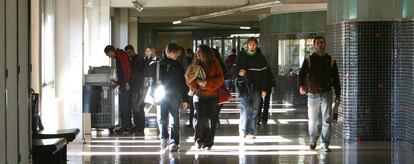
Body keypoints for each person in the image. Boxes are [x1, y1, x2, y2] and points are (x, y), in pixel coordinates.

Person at [298, 36, 341, 152]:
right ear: (314, 45)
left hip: (327, 93)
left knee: (327, 119)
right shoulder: (309, 60)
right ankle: (313, 139)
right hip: (312, 94)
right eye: (318, 43)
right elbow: (301, 74)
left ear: (325, 44)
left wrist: (338, 94)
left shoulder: (331, 60)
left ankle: (325, 144)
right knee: (313, 120)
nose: (320, 44)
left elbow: (336, 78)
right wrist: (301, 86)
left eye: (322, 42)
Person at [186, 45, 224, 150]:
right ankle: (199, 140)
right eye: (196, 52)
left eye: (200, 52)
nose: (197, 54)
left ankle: (208, 143)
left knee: (211, 119)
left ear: (206, 53)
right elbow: (189, 80)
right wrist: (195, 83)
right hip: (199, 95)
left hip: (213, 96)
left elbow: (220, 78)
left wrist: (207, 83)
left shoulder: (215, 62)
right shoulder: (195, 64)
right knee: (200, 118)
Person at [234, 37, 269, 139]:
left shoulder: (261, 58)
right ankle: (243, 130)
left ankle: (251, 131)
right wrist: (238, 72)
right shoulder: (241, 56)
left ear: (257, 45)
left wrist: (264, 89)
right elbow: (234, 68)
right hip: (244, 86)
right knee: (245, 108)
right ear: (247, 45)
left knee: (254, 109)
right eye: (250, 44)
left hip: (257, 87)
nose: (252, 46)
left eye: (254, 44)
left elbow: (265, 75)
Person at [157, 43, 189, 152]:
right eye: (174, 53)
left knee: (175, 119)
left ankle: (175, 142)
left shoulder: (179, 65)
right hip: (163, 95)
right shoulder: (160, 64)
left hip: (175, 95)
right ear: (168, 52)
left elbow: (183, 83)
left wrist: (185, 99)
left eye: (177, 53)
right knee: (162, 119)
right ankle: (164, 137)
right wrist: (152, 95)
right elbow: (155, 81)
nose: (176, 55)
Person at [104, 45, 132, 133]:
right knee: (123, 106)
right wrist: (118, 82)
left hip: (125, 84)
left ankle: (127, 126)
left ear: (110, 52)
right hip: (123, 83)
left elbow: (127, 69)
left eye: (109, 55)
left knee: (125, 106)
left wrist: (126, 82)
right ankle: (125, 125)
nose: (110, 57)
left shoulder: (120, 55)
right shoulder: (119, 55)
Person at [124, 45, 145, 133]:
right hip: (135, 86)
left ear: (133, 51)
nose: (128, 54)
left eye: (129, 52)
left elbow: (140, 74)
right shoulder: (132, 60)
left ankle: (140, 125)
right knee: (136, 106)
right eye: (127, 53)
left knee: (138, 106)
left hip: (138, 86)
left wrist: (141, 87)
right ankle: (138, 125)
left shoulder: (138, 60)